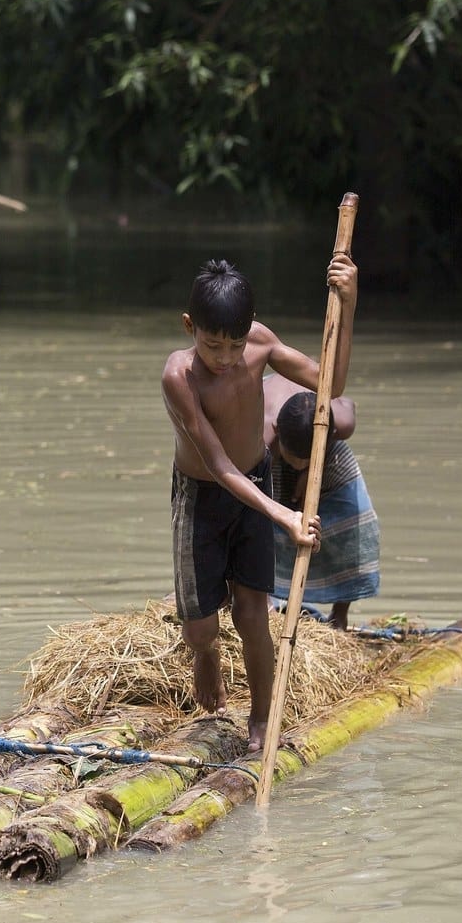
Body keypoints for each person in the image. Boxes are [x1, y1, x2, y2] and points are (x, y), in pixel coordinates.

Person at [161, 256, 359, 751]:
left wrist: (349, 302)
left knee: (253, 614)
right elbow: (218, 463)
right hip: (201, 496)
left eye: (234, 343)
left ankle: (262, 718)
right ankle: (205, 655)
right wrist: (284, 514)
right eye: (212, 345)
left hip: (252, 483)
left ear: (249, 329)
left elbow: (331, 386)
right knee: (201, 627)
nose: (225, 357)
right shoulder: (179, 377)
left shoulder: (260, 343)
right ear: (190, 328)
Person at [263, 377, 380, 629]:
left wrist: (310, 471)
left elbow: (345, 406)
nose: (299, 465)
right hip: (271, 453)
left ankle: (340, 614)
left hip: (326, 451)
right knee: (257, 522)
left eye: (305, 461)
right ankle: (263, 599)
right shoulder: (261, 434)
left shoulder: (342, 424)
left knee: (351, 522)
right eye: (296, 460)